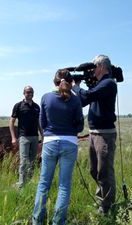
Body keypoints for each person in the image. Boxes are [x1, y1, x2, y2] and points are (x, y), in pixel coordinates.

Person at [32, 69, 84, 225]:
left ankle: (37, 221)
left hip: (49, 142)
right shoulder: (75, 100)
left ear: (54, 81)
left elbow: (42, 124)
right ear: (71, 82)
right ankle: (58, 222)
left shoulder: (46, 98)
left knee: (44, 183)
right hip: (70, 143)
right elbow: (80, 126)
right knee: (64, 186)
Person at [72, 54, 117, 214]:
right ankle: (102, 199)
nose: (92, 70)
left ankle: (106, 206)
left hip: (105, 134)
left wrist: (76, 86)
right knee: (94, 170)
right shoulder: (98, 86)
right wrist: (80, 87)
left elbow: (87, 96)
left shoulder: (108, 84)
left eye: (94, 66)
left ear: (102, 67)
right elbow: (83, 100)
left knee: (105, 171)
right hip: (93, 133)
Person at [9, 85, 43, 189]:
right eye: (27, 92)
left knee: (32, 161)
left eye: (31, 92)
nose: (29, 94)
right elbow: (11, 121)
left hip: (34, 137)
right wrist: (13, 138)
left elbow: (39, 123)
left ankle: (28, 182)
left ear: (33, 93)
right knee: (23, 161)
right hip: (23, 137)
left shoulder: (37, 107)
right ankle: (21, 184)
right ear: (24, 93)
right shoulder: (18, 106)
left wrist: (43, 135)